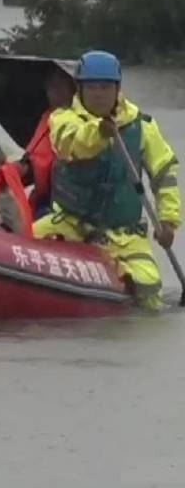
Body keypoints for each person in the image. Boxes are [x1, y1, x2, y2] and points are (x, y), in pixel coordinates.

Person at [33, 50, 181, 310]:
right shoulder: (63, 119)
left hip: (124, 235)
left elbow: (164, 172)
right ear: (79, 88)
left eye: (105, 86)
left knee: (148, 286)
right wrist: (99, 132)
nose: (98, 94)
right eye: (91, 87)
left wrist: (168, 220)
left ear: (117, 88)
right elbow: (72, 144)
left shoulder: (142, 125)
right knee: (29, 244)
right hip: (70, 224)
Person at [22, 64, 75, 219]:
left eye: (59, 87)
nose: (54, 93)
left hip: (68, 197)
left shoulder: (83, 119)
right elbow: (36, 155)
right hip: (44, 194)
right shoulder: (47, 117)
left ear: (72, 88)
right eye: (50, 87)